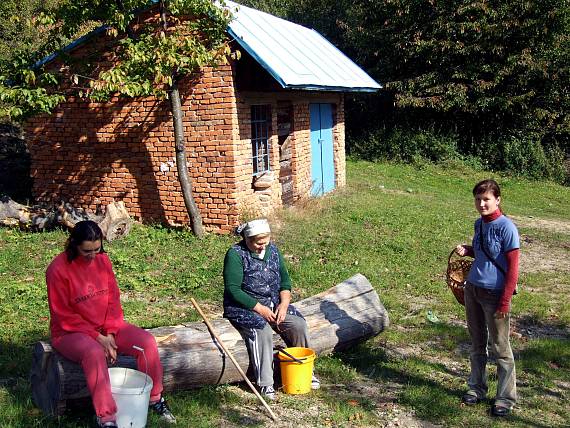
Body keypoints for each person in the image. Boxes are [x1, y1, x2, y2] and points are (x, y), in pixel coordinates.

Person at [46, 221, 176, 427]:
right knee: (93, 353)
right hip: (69, 332)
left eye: (97, 249)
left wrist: (111, 334)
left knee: (147, 342)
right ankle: (106, 418)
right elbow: (64, 315)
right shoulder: (57, 270)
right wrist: (98, 338)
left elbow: (113, 301)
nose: (92, 256)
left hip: (105, 328)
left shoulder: (103, 261)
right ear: (73, 245)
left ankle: (155, 399)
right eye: (86, 251)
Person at [223, 218, 320, 400]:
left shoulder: (273, 251)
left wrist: (284, 304)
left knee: (298, 324)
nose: (262, 248)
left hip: (273, 304)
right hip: (244, 307)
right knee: (263, 330)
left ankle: (305, 370)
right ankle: (265, 383)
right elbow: (233, 289)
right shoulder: (235, 254)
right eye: (258, 244)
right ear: (247, 239)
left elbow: (285, 281)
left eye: (265, 243)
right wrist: (259, 308)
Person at [455, 179, 519, 417]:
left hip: (495, 295)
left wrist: (505, 301)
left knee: (501, 347)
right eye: (478, 200)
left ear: (497, 200)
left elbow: (513, 268)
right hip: (473, 289)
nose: (481, 204)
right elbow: (483, 253)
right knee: (477, 342)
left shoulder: (507, 227)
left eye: (486, 200)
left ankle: (505, 398)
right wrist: (468, 250)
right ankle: (477, 387)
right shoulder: (479, 224)